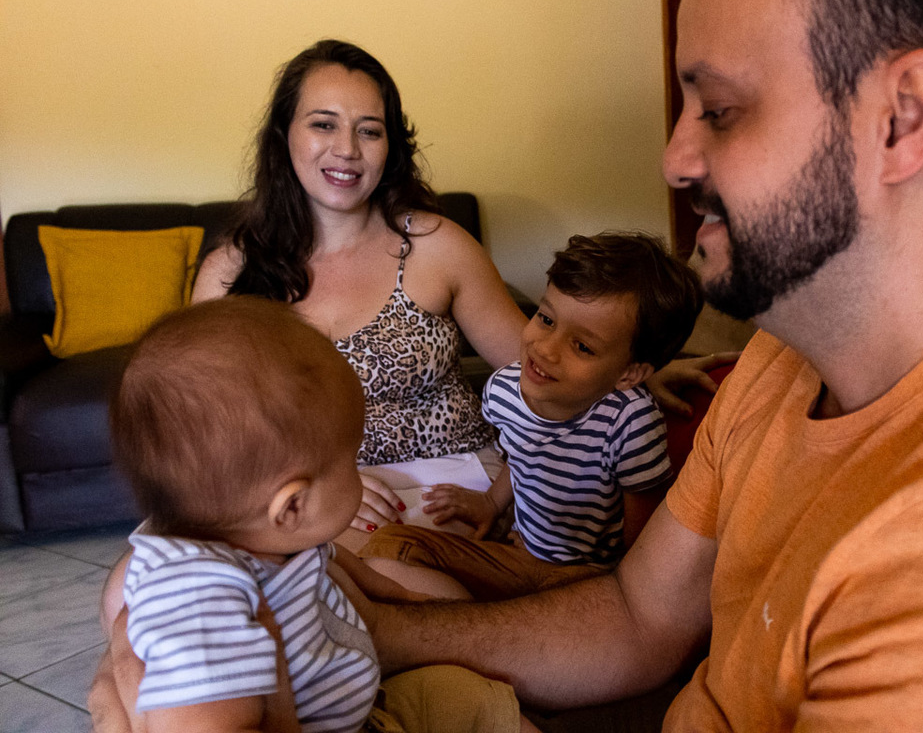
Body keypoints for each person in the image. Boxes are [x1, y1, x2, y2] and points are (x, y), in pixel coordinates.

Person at [354, 0, 923, 728]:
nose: (675, 160)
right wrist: (383, 634)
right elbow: (638, 615)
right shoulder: (785, 356)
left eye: (719, 110)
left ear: (902, 119)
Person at [192, 39, 732, 541]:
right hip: (305, 492)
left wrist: (641, 372)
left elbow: (537, 361)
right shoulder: (229, 273)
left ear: (391, 145)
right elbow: (208, 428)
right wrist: (321, 485)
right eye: (323, 125)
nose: (347, 149)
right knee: (139, 587)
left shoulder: (437, 244)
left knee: (348, 575)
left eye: (370, 130)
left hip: (452, 486)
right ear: (283, 134)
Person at [107, 296, 520, 732]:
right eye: (350, 461)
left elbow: (354, 571)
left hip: (360, 705)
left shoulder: (268, 536)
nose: (362, 473)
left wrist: (416, 602)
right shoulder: (201, 601)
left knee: (474, 695)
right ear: (292, 505)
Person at [361, 232, 704, 600]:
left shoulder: (632, 422)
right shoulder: (504, 390)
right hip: (521, 555)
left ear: (629, 374)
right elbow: (523, 453)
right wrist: (491, 504)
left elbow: (644, 528)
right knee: (389, 546)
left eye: (583, 346)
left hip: (592, 578)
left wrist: (625, 592)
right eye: (545, 319)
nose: (545, 349)